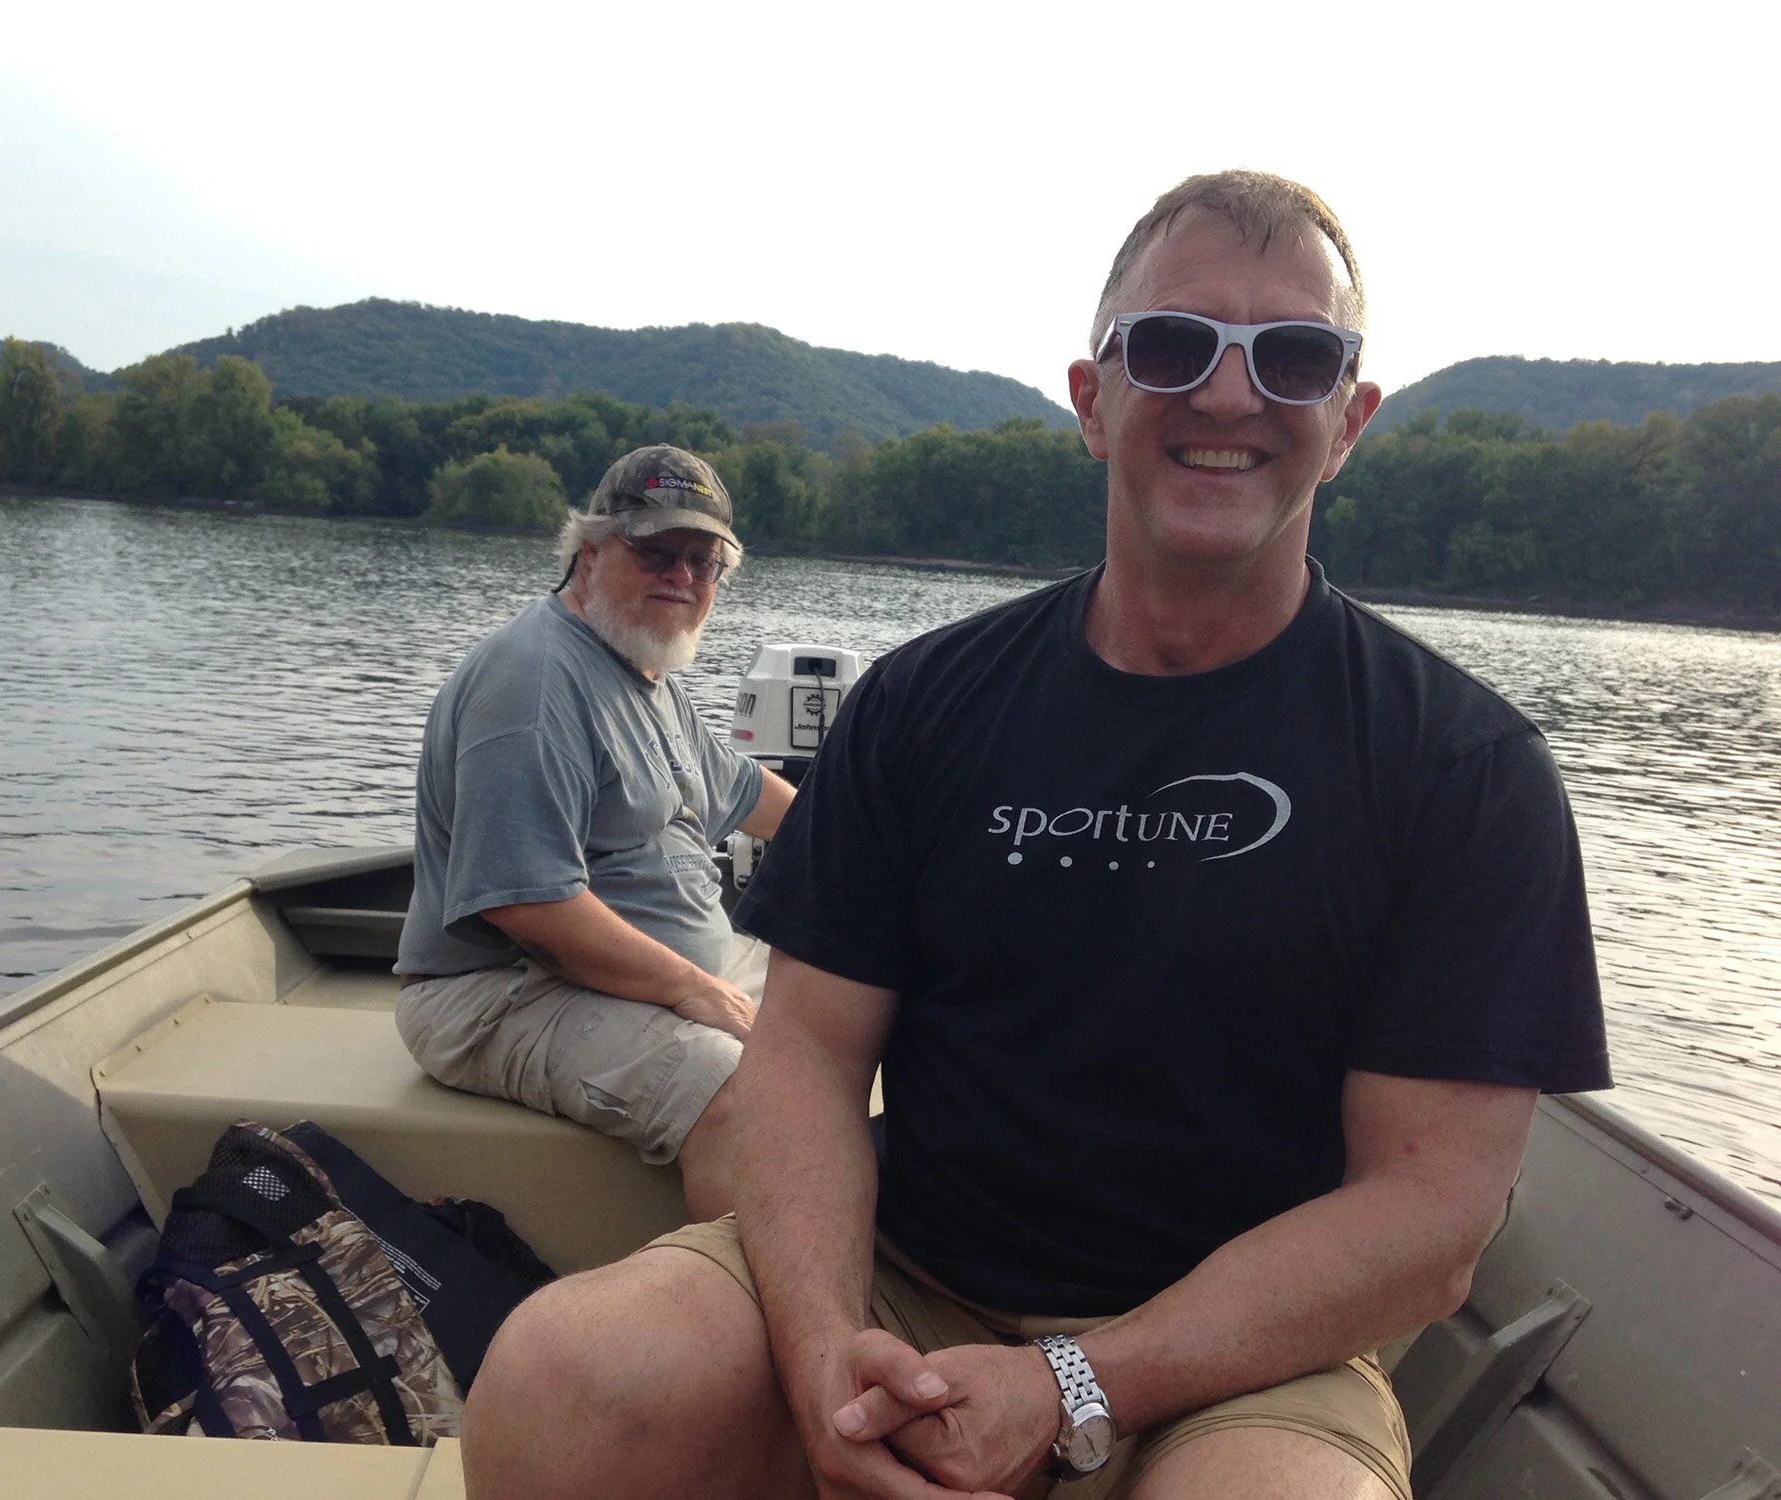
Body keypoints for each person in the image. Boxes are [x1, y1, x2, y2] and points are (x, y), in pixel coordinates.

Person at [459, 172, 1610, 1500]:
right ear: (1092, 398)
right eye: (1174, 346)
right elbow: (804, 1067)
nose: (1231, 398)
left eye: (1293, 358)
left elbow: (1430, 1219)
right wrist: (829, 1348)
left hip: (1248, 1358)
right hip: (911, 1269)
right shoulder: (923, 706)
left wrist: (1077, 1382)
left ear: (1347, 422)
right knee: (561, 1382)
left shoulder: (1463, 770)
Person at [394, 445, 794, 1222]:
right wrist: (696, 991)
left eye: (703, 562)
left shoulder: (644, 674)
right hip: (494, 994)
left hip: (642, 973)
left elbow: (753, 794)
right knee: (746, 1097)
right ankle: (759, 1327)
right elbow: (533, 912)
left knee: (852, 1008)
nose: (681, 576)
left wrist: (899, 848)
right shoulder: (534, 682)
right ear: (588, 552)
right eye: (656, 552)